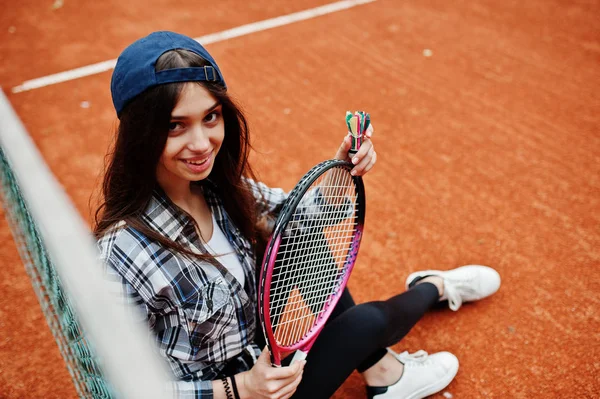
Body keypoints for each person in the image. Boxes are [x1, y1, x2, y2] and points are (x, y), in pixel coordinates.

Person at [94, 31, 501, 399]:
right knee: (364, 322)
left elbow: (296, 218)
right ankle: (433, 288)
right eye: (174, 126)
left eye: (210, 117)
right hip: (240, 392)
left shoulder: (220, 189)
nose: (201, 143)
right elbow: (118, 387)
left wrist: (341, 171)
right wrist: (237, 389)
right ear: (140, 134)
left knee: (295, 239)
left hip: (260, 366)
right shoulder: (118, 254)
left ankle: (385, 374)